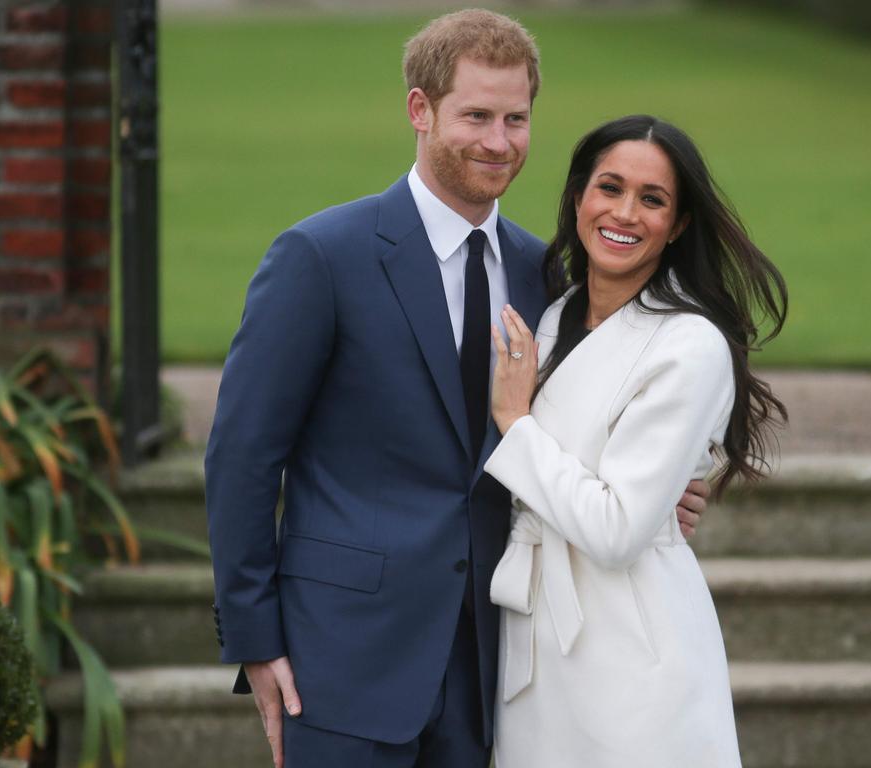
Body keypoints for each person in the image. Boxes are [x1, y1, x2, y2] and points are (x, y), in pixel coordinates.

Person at [204, 11, 709, 768]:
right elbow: (242, 457)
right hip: (341, 661)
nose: (498, 142)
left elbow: (569, 429)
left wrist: (656, 483)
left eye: (516, 118)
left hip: (496, 669)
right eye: (476, 116)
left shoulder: (551, 280)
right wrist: (254, 639)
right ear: (420, 110)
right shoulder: (321, 257)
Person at [483, 115, 788, 766]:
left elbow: (618, 529)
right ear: (577, 197)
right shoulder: (556, 315)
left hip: (631, 650)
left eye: (652, 200)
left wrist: (516, 424)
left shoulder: (689, 346)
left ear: (677, 225)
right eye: (609, 187)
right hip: (534, 641)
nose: (625, 212)